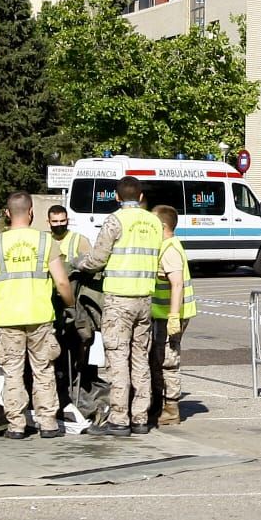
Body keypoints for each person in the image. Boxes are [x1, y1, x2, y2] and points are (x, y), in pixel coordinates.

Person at [0, 191, 83, 439]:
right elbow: (62, 283)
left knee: (13, 372)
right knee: (43, 370)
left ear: (7, 214)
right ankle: (47, 423)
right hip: (40, 317)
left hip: (7, 318)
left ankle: (16, 426)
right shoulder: (46, 242)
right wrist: (70, 305)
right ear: (32, 212)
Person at [73, 176, 163, 436]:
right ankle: (140, 417)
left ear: (117, 197)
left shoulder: (115, 220)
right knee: (140, 358)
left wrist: (80, 264)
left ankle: (119, 419)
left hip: (119, 300)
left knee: (117, 360)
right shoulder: (154, 222)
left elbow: (98, 259)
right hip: (145, 299)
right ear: (142, 196)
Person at [149, 204, 195, 427]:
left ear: (162, 226)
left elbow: (176, 284)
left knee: (168, 362)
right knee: (159, 360)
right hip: (163, 314)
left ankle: (171, 409)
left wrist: (174, 317)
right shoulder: (166, 246)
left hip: (169, 316)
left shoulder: (169, 249)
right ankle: (161, 405)